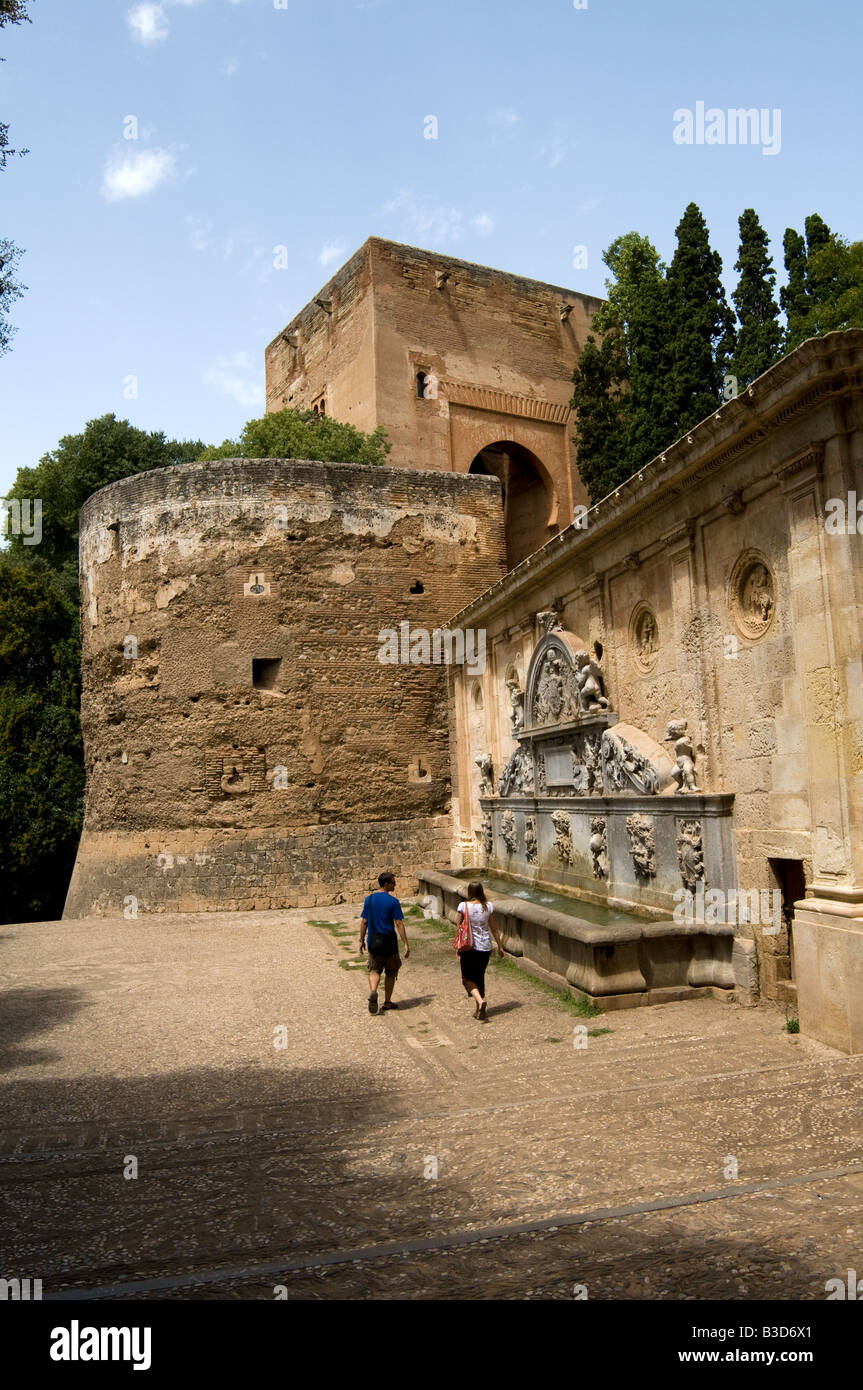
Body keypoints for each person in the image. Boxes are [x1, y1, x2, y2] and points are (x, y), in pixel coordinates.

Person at [360, 872, 409, 1015]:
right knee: (390, 972)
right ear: (386, 884)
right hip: (389, 943)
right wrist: (406, 943)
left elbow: (364, 921)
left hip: (374, 942)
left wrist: (361, 940)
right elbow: (399, 923)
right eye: (393, 882)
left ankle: (374, 991)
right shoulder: (393, 902)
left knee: (374, 969)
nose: (395, 885)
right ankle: (387, 1001)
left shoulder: (368, 900)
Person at [455, 882, 504, 1021]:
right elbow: (494, 928)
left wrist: (458, 947)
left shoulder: (463, 906)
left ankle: (481, 1002)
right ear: (481, 891)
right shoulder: (488, 906)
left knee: (467, 979)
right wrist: (500, 946)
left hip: (469, 947)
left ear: (470, 892)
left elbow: (458, 927)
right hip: (485, 947)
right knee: (479, 977)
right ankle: (479, 1010)